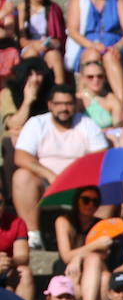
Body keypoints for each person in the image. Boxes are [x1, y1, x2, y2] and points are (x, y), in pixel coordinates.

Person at [11, 84, 107, 245]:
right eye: (59, 104)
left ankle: (98, 235)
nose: (64, 108)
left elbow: (101, 157)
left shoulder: (87, 124)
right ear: (50, 105)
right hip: (45, 184)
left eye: (68, 104)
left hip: (80, 185)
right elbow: (21, 157)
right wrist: (50, 175)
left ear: (75, 105)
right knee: (21, 176)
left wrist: (73, 177)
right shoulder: (37, 123)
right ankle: (32, 235)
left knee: (106, 182)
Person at [0, 197, 32, 300]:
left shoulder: (16, 222)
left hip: (7, 271)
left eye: (0, 202)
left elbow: (23, 257)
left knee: (24, 272)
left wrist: (7, 261)